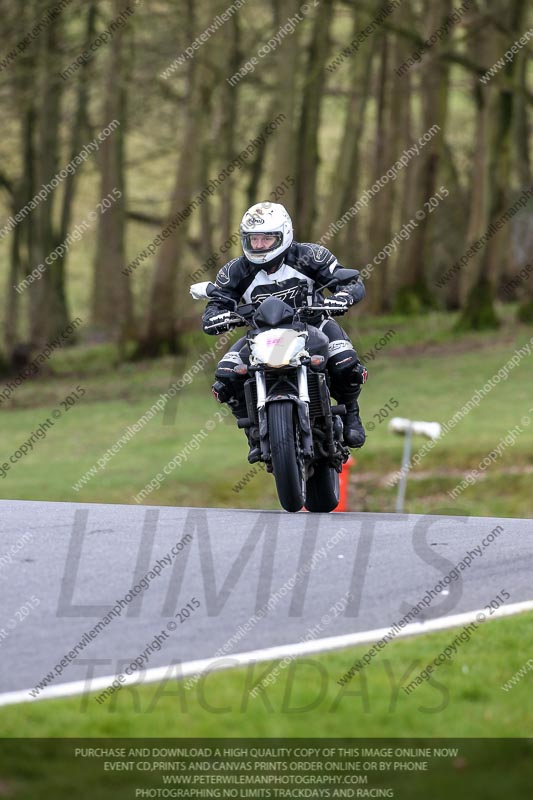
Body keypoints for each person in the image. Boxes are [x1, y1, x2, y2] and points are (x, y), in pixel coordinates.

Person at [201, 202, 367, 462]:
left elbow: (350, 280)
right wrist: (215, 318)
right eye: (253, 239)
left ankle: (350, 414)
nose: (259, 245)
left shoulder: (311, 256)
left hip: (314, 325)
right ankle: (255, 432)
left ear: (284, 235)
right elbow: (216, 303)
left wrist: (344, 296)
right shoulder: (236, 270)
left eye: (266, 238)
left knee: (347, 363)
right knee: (225, 377)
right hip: (259, 336)